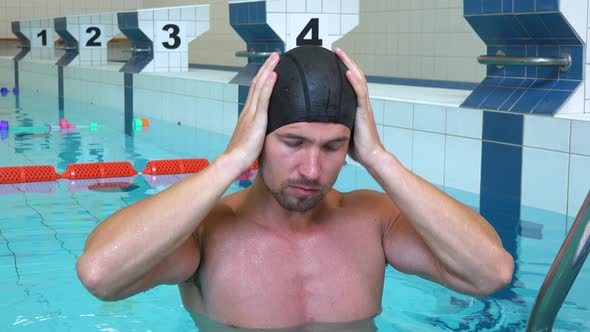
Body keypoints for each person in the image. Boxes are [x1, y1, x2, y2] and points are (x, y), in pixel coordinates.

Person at [76, 46, 514, 331]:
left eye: (333, 147)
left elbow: (489, 274)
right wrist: (230, 161)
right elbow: (101, 277)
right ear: (259, 136)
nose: (311, 169)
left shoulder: (373, 221)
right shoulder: (205, 232)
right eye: (293, 142)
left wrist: (380, 159)